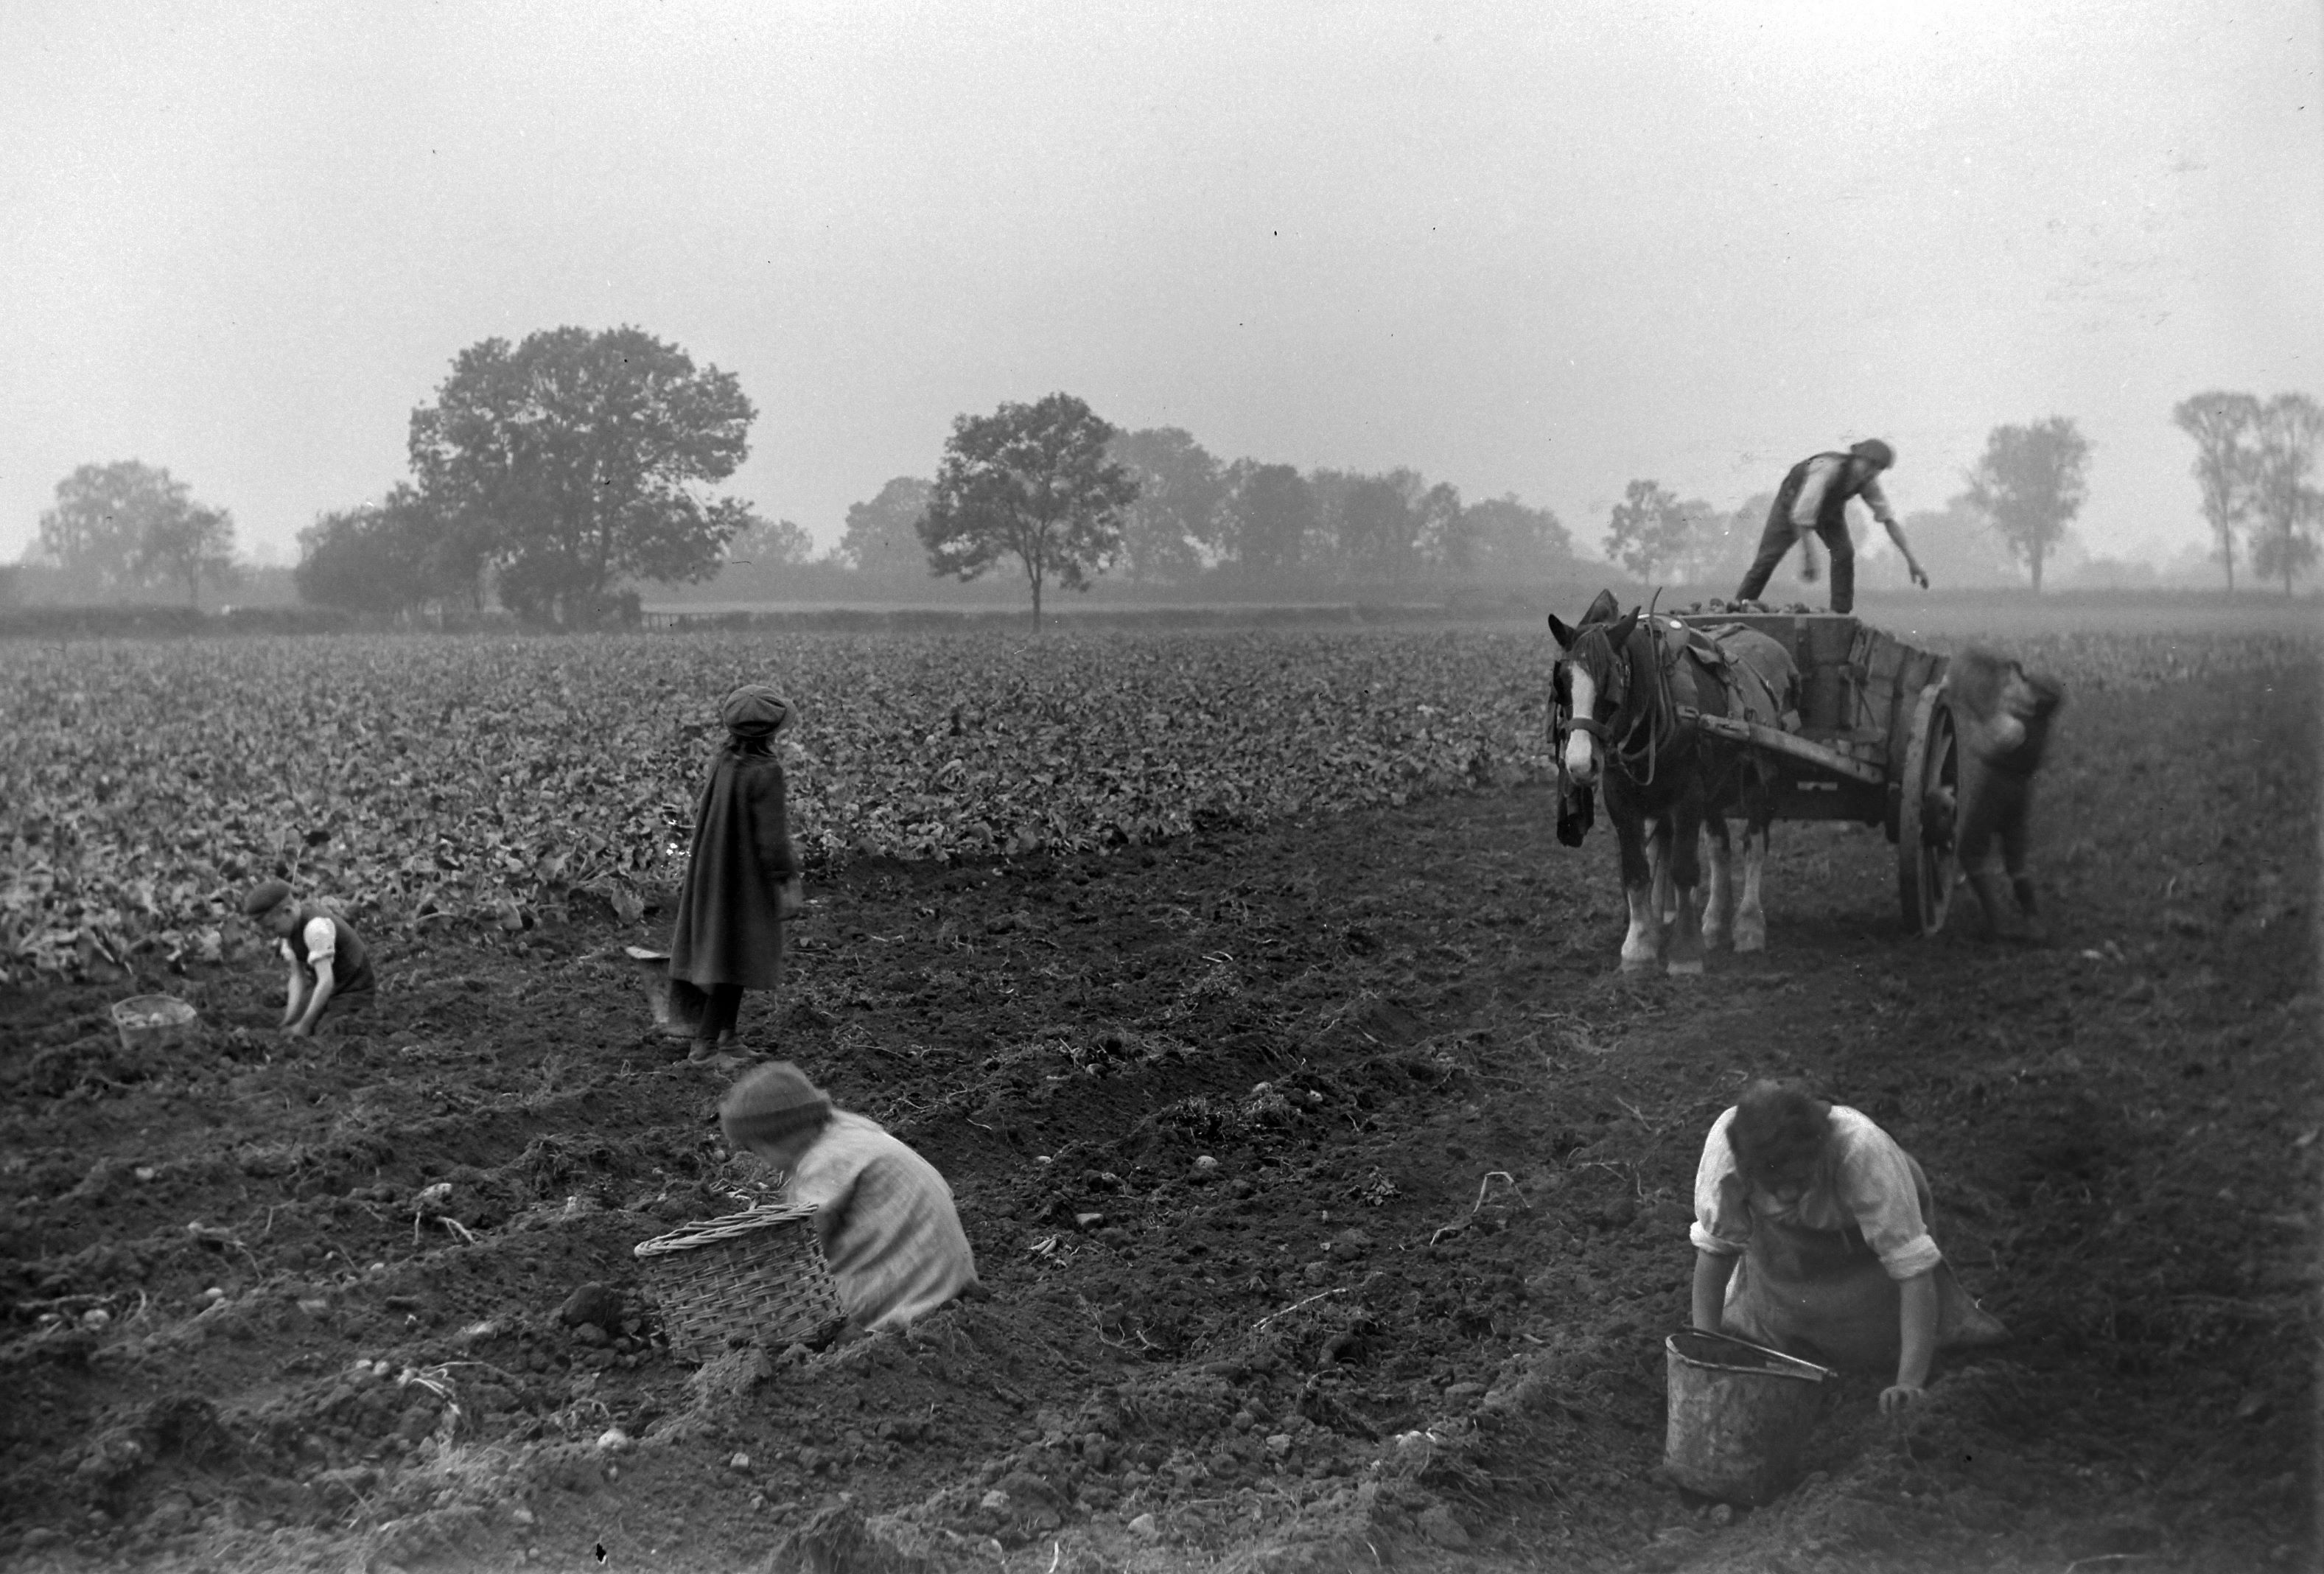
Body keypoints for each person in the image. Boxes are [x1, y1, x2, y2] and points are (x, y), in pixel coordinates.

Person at [1689, 1080, 2004, 1413]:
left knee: (1880, 1347)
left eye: (1797, 1182)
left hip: (1863, 1248)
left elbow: (1913, 1271)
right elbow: (1715, 1252)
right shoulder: (1728, 1150)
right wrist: (1704, 1355)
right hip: (1785, 1258)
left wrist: (1908, 1383)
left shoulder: (1863, 1152)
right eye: (1773, 1186)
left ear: (1820, 1152)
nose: (1784, 1196)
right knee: (1761, 1330)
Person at [719, 1062, 982, 1336]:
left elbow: (802, 1245)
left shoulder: (828, 1160)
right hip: (944, 1278)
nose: (764, 1162)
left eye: (758, 1149)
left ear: (779, 1136)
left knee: (797, 1320)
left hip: (911, 1295)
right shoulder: (852, 1135)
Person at [669, 683, 803, 1065]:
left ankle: (728, 1040)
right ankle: (705, 1047)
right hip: (745, 883)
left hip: (715, 876)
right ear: (771, 731)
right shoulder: (767, 770)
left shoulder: (724, 760)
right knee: (734, 960)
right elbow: (774, 840)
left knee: (730, 956)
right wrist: (786, 879)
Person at [1948, 648, 2066, 942]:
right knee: (2016, 863)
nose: (2019, 688)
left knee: (1970, 852)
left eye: (2027, 686)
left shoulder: (2015, 727)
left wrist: (1971, 713)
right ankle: (2033, 921)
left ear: (2036, 699)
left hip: (1997, 791)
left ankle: (1996, 922)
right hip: (2020, 794)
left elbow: (1984, 744)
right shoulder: (2036, 725)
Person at [1734, 439, 1929, 615]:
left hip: (1829, 512)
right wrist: (1809, 557)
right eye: (1870, 464)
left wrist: (1912, 562)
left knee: (1844, 553)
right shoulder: (1827, 469)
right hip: (1791, 505)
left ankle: (1840, 613)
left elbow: (1888, 520)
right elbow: (1802, 516)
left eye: (1878, 469)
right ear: (1856, 458)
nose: (1871, 472)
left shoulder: (1868, 483)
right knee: (1767, 559)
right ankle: (1738, 607)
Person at [243, 879, 377, 1037]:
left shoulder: (315, 929)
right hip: (328, 986)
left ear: (288, 912)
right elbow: (297, 976)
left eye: (272, 927)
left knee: (328, 1030)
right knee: (294, 1023)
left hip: (353, 989)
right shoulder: (288, 931)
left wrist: (304, 1025)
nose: (271, 934)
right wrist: (290, 1018)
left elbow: (326, 981)